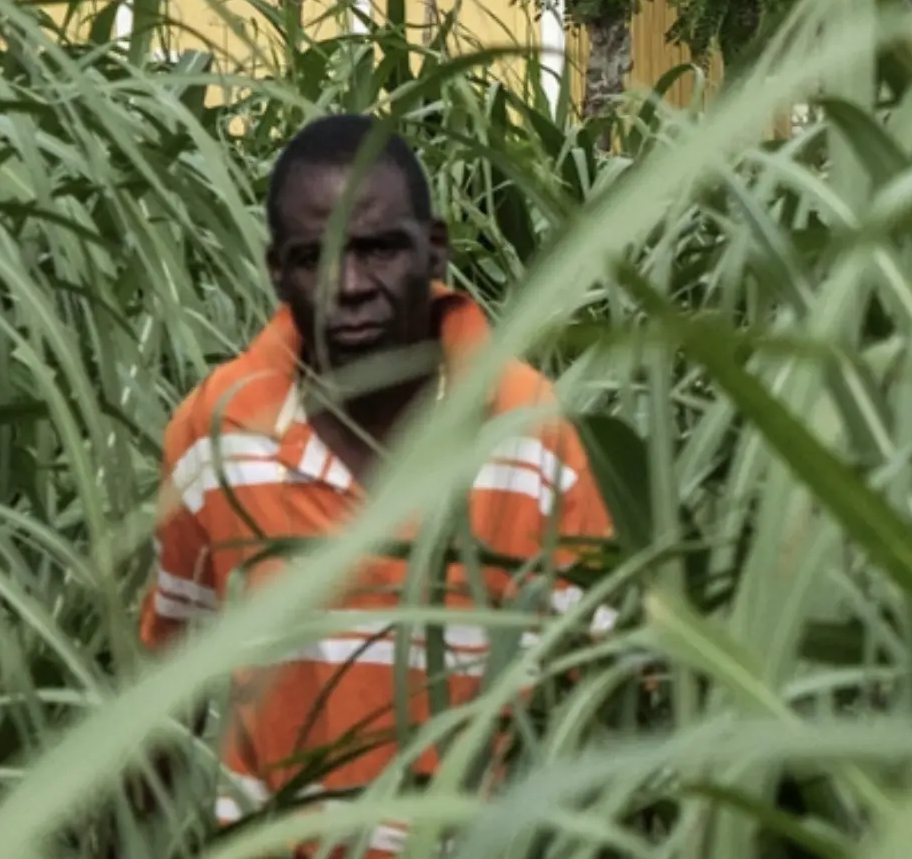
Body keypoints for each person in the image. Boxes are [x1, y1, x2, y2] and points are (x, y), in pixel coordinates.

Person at [138, 114, 615, 857]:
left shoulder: (527, 430)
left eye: (379, 249)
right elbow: (162, 692)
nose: (349, 286)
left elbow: (606, 697)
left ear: (435, 247)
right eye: (315, 257)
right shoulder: (217, 430)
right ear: (276, 269)